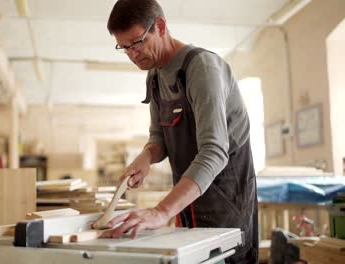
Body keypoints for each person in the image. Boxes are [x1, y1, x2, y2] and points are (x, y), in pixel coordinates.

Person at [104, 0, 258, 263]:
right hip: (189, 204)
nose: (132, 54)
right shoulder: (154, 75)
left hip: (226, 206)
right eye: (124, 47)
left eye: (137, 42)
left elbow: (214, 152)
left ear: (160, 27)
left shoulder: (202, 69)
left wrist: (161, 211)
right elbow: (158, 137)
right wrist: (146, 157)